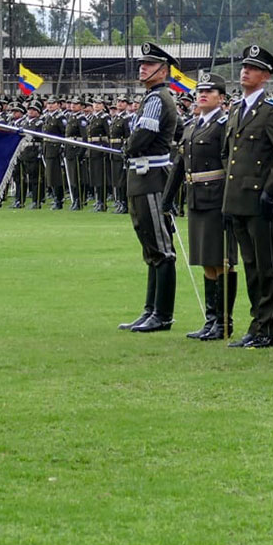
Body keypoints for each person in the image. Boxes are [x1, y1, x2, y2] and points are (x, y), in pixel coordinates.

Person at [221, 45, 273, 349]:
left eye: (252, 68)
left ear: (265, 76)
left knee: (266, 265)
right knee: (250, 264)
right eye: (244, 66)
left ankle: (269, 327)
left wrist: (270, 191)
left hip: (261, 199)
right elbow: (229, 156)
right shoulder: (236, 109)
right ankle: (256, 323)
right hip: (238, 198)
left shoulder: (272, 111)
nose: (244, 71)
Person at [164, 73, 233, 340]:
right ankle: (211, 318)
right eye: (200, 91)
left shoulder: (224, 125)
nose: (202, 94)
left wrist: (229, 201)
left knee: (221, 259)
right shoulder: (192, 126)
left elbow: (229, 164)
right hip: (196, 198)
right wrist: (167, 197)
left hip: (217, 198)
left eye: (210, 91)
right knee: (204, 259)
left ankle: (224, 322)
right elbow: (181, 163)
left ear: (221, 98)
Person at [117, 43, 181, 332]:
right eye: (141, 64)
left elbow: (144, 134)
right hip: (141, 177)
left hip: (152, 176)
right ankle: (150, 309)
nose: (142, 68)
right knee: (150, 247)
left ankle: (162, 314)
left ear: (163, 70)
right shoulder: (151, 97)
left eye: (149, 64)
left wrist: (128, 147)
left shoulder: (158, 97)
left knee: (161, 246)